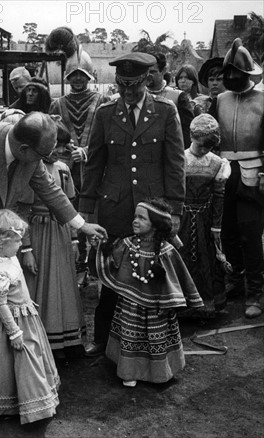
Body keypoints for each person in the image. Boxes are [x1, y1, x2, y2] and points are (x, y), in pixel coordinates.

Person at [0, 111, 108, 353]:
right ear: (25, 149)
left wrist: (81, 225)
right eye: (43, 155)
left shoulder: (27, 152)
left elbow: (49, 189)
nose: (45, 160)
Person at [80, 52, 186, 357]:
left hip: (153, 210)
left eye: (134, 86)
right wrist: (86, 208)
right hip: (114, 208)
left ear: (147, 79)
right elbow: (95, 162)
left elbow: (175, 163)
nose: (127, 92)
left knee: (150, 274)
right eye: (122, 85)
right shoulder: (105, 112)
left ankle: (152, 344)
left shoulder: (166, 111)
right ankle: (104, 340)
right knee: (113, 274)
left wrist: (174, 210)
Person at [96, 199, 203, 387]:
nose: (135, 221)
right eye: (135, 217)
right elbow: (110, 260)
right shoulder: (127, 244)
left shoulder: (166, 251)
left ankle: (159, 373)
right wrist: (102, 245)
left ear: (155, 225)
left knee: (156, 336)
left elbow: (177, 278)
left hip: (156, 309)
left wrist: (170, 301)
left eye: (142, 218)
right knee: (130, 335)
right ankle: (129, 371)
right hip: (130, 306)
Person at [0, 208, 59, 424]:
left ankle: (28, 398)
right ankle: (15, 402)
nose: (21, 244)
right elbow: (0, 305)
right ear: (1, 242)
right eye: (17, 240)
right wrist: (14, 332)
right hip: (12, 322)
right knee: (10, 362)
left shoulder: (8, 256)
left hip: (25, 315)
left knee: (29, 357)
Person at [209, 38, 264, 319]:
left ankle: (255, 291)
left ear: (247, 74)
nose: (230, 77)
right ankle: (236, 280)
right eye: (227, 73)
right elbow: (209, 140)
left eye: (235, 73)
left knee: (251, 234)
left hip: (254, 175)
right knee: (227, 230)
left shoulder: (262, 100)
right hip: (223, 173)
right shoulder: (219, 100)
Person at [23, 122, 87, 356]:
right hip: (37, 231)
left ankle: (66, 339)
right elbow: (21, 211)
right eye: (54, 145)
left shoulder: (63, 169)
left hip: (59, 231)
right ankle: (40, 340)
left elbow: (68, 205)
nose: (57, 151)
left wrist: (74, 240)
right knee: (39, 282)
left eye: (61, 146)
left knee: (62, 283)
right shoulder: (28, 168)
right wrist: (26, 247)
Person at [49, 50, 109, 270]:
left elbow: (107, 137)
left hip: (94, 168)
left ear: (89, 76)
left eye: (81, 74)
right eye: (73, 75)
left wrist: (86, 151)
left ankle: (94, 262)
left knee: (93, 210)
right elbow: (50, 135)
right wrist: (64, 149)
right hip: (65, 169)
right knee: (67, 208)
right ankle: (72, 260)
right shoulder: (57, 104)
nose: (77, 79)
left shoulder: (102, 100)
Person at [178, 114, 230, 319]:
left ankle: (206, 307)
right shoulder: (180, 159)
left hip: (205, 219)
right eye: (200, 146)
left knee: (206, 259)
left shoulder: (217, 163)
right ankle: (182, 307)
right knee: (182, 256)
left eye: (208, 147)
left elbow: (219, 196)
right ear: (192, 138)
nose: (203, 151)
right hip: (182, 218)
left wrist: (216, 226)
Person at [145, 52, 194, 148]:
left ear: (163, 70)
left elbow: (186, 133)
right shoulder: (138, 96)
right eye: (145, 72)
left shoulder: (178, 96)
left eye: (152, 72)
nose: (148, 75)